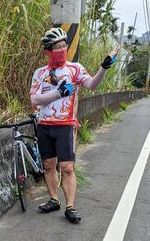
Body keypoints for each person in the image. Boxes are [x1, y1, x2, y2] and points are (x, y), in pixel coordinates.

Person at [30, 27, 117, 223]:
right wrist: (57, 94)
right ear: (47, 51)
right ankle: (53, 199)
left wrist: (103, 68)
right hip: (44, 125)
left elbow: (92, 85)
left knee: (67, 167)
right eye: (57, 47)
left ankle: (70, 206)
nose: (62, 49)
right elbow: (35, 99)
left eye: (64, 46)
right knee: (48, 165)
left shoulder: (75, 69)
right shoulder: (40, 73)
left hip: (65, 125)